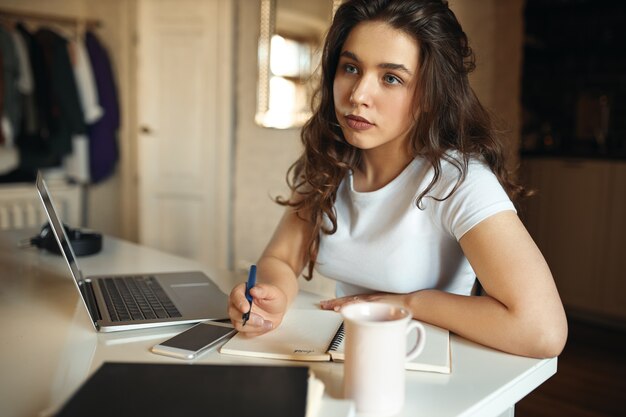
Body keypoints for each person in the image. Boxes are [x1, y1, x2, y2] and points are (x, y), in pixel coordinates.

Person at [229, 0, 567, 358]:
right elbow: (280, 259)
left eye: (391, 78)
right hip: (354, 355)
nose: (358, 95)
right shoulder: (331, 161)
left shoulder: (460, 181)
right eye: (350, 68)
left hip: (436, 371)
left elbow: (543, 331)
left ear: (429, 95)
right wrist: (272, 296)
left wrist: (409, 303)